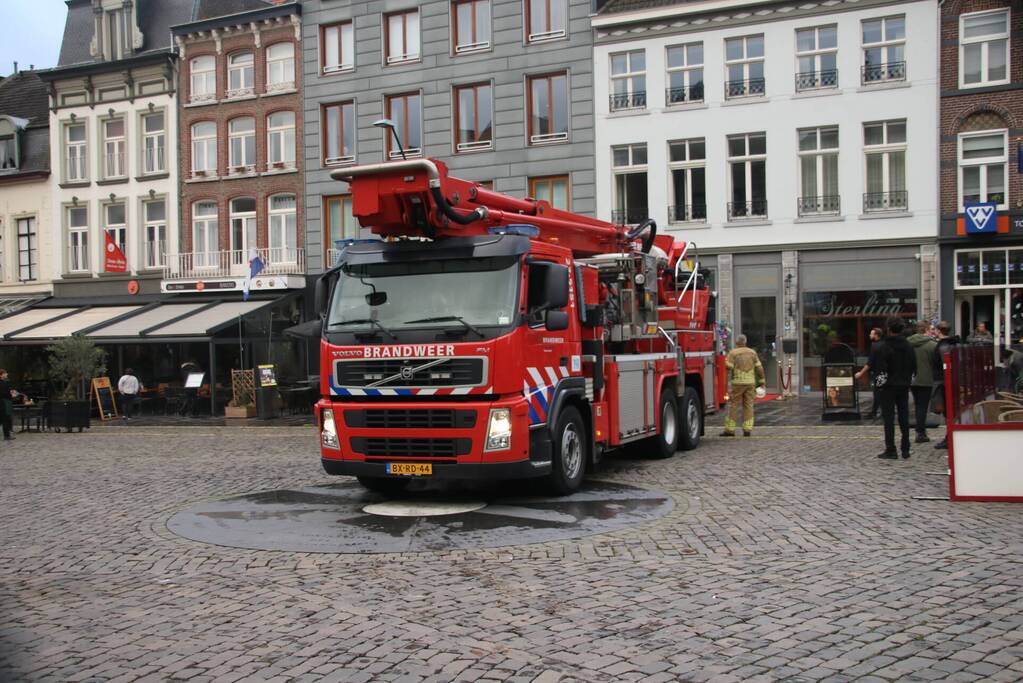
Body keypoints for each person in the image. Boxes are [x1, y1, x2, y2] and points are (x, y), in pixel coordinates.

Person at [871, 317, 917, 459]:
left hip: (888, 386)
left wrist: (879, 385)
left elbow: (881, 369)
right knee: (904, 416)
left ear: (888, 329)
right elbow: (913, 366)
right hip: (903, 384)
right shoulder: (908, 346)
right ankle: (905, 448)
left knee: (889, 418)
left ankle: (891, 448)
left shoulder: (883, 346)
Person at [719, 334, 765, 437]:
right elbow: (759, 367)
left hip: (737, 383)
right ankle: (747, 430)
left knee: (733, 405)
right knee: (748, 405)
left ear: (736, 343)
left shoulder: (733, 353)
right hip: (750, 383)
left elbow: (728, 367)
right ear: (745, 342)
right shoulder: (752, 352)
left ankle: (730, 430)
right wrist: (762, 381)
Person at [931, 321, 960, 450]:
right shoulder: (951, 344)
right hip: (945, 381)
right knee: (947, 411)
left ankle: (949, 438)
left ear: (939, 330)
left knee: (947, 411)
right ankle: (949, 436)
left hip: (943, 382)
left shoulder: (944, 346)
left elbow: (946, 365)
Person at [908, 321, 937, 444]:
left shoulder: (908, 343)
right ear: (925, 330)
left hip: (912, 379)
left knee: (918, 404)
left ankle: (921, 430)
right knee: (922, 407)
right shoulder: (932, 345)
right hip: (926, 379)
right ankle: (920, 432)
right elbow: (935, 363)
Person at [854, 328, 884, 419]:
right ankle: (876, 412)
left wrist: (860, 373)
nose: (870, 335)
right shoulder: (884, 344)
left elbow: (870, 363)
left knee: (877, 393)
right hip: (884, 373)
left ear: (876, 335)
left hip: (878, 373)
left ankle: (878, 412)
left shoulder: (874, 346)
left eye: (871, 334)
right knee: (880, 393)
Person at [0, 369, 14, 441]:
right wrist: (11, 395)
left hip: (4, 402)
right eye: (5, 373)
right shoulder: (2, 383)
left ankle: (7, 435)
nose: (7, 374)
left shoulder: (4, 383)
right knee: (5, 419)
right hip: (4, 402)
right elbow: (4, 393)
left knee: (6, 419)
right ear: (1, 375)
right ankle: (6, 436)